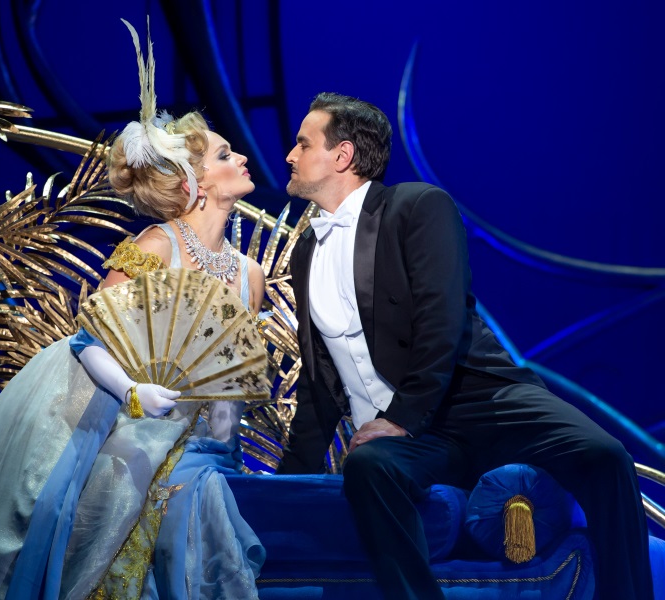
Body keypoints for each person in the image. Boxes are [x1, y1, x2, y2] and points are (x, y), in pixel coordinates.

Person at [0, 21, 266, 600]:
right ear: (195, 182)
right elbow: (92, 341)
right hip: (132, 415)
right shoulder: (158, 247)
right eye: (226, 154)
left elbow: (230, 373)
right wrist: (136, 392)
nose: (243, 158)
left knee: (204, 484)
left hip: (205, 438)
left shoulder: (248, 274)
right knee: (143, 491)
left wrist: (225, 439)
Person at [275, 91, 654, 599]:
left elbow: (442, 320)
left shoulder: (417, 206)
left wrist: (402, 417)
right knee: (368, 467)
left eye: (303, 144)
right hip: (419, 439)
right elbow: (320, 381)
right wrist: (283, 485)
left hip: (481, 400)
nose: (290, 155)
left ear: (342, 156)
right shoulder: (306, 249)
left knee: (605, 456)